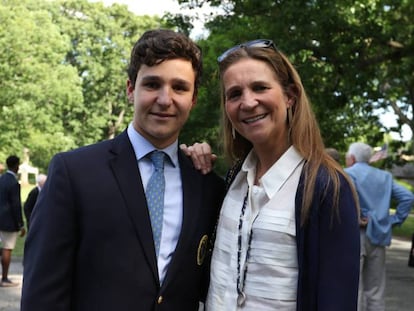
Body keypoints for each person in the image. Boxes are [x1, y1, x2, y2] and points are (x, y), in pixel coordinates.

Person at [21, 29, 225, 310]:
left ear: (194, 99)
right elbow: (41, 294)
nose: (165, 99)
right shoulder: (73, 172)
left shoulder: (207, 185)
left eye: (179, 87)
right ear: (131, 89)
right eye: (152, 84)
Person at [189, 39, 361, 311]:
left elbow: (337, 298)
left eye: (260, 87)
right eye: (234, 94)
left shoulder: (325, 186)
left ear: (290, 96)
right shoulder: (234, 178)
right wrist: (191, 166)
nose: (247, 102)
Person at [344, 142, 414, 311]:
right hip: (378, 234)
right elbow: (408, 197)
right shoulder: (385, 177)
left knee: (355, 287)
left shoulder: (346, 174)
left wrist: (357, 216)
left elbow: (343, 203)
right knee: (375, 289)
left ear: (352, 158)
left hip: (355, 235)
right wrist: (393, 220)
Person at [0, 155, 26, 287]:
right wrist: (20, 224)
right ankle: (4, 278)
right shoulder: (13, 183)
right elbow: (16, 205)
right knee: (7, 248)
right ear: (16, 166)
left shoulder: (1, 179)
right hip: (8, 221)